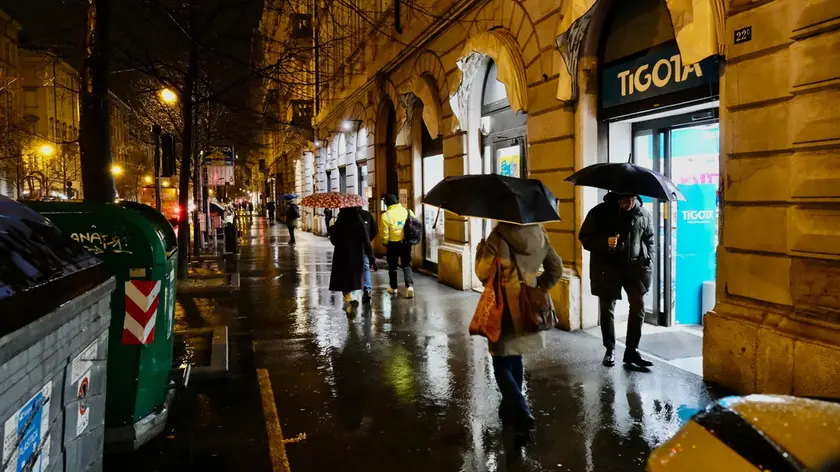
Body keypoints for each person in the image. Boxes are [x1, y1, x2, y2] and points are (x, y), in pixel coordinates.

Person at [475, 222, 563, 446]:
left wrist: (480, 251)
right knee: (516, 356)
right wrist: (536, 287)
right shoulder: (539, 233)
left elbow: (483, 274)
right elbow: (556, 269)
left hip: (503, 306)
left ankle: (521, 410)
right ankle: (509, 407)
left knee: (501, 362)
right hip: (528, 307)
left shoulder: (498, 236)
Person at [579, 192, 655, 369]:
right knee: (607, 309)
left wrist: (649, 258)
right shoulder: (599, 212)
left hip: (635, 269)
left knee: (638, 307)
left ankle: (632, 351)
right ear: (618, 197)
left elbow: (650, 239)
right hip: (608, 268)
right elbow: (585, 237)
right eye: (625, 199)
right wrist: (605, 242)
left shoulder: (643, 213)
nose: (629, 203)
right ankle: (610, 349)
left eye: (633, 198)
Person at [329, 207, 376, 313]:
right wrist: (371, 257)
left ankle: (350, 299)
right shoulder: (359, 222)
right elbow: (366, 241)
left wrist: (331, 229)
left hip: (341, 256)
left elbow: (335, 241)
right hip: (357, 255)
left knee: (344, 279)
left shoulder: (340, 221)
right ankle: (353, 297)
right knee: (355, 278)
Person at [380, 194, 415, 298]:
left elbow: (385, 233)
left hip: (392, 244)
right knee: (407, 264)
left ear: (387, 204)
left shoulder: (386, 215)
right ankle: (409, 286)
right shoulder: (408, 211)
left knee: (392, 266)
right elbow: (414, 226)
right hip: (406, 243)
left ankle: (394, 287)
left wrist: (385, 242)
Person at [359, 208, 378, 303]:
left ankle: (352, 292)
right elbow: (375, 230)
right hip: (365, 246)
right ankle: (367, 288)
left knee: (350, 268)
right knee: (365, 267)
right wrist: (368, 239)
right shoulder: (367, 215)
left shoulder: (347, 216)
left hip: (351, 247)